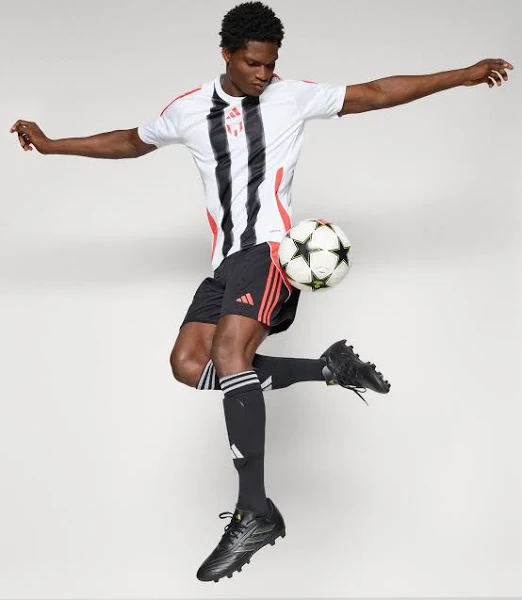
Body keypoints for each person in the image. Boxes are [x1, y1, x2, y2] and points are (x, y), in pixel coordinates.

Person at [11, 1, 513, 584]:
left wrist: (463, 74)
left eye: (271, 64)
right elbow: (129, 140)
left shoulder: (290, 97)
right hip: (225, 264)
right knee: (189, 364)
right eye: (253, 63)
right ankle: (328, 369)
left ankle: (254, 511)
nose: (263, 74)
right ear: (226, 54)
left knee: (231, 356)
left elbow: (376, 93)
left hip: (271, 252)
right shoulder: (189, 109)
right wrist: (51, 145)